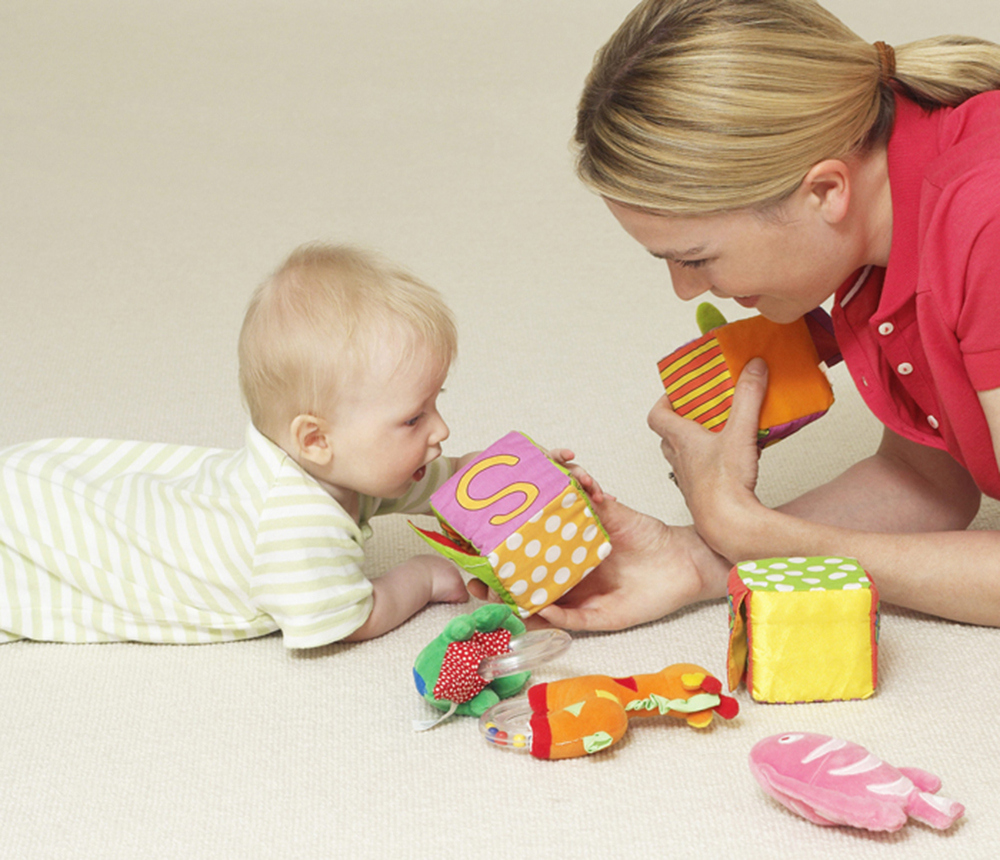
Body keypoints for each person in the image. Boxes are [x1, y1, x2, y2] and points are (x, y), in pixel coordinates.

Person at [540, 0, 1000, 631]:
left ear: (825, 191)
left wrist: (756, 535)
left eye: (697, 258)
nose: (684, 290)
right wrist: (700, 558)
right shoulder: (885, 207)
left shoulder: (987, 229)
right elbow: (925, 479)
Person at [0, 244, 587, 647]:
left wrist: (519, 478)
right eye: (413, 419)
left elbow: (438, 481)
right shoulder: (292, 524)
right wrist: (426, 578)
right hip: (29, 535)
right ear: (316, 439)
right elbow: (340, 620)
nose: (441, 431)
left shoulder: (341, 464)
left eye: (434, 403)